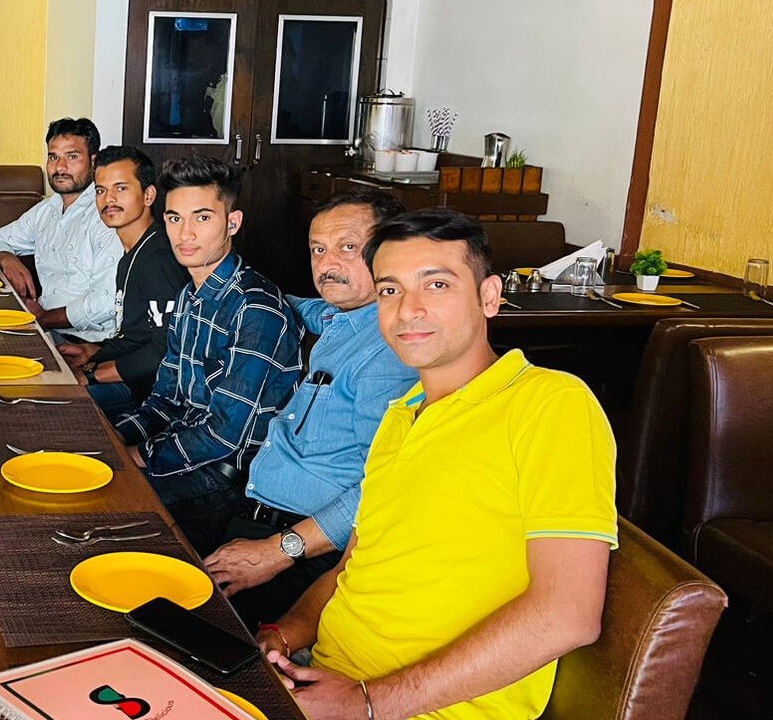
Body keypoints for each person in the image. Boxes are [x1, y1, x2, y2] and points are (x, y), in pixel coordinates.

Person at [258, 208, 616, 720]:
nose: (408, 310)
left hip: (414, 707)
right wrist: (281, 636)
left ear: (489, 297)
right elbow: (349, 571)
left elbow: (567, 614)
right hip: (320, 680)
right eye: (390, 290)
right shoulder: (400, 415)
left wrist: (367, 702)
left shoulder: (550, 404)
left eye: (437, 285)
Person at [201, 189, 417, 625]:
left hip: (306, 551)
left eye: (347, 247)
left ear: (391, 253)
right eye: (318, 249)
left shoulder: (389, 354)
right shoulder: (343, 315)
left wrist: (278, 551)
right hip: (255, 512)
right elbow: (294, 305)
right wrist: (241, 291)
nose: (327, 264)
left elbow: (383, 490)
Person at [114, 155, 303, 555]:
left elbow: (223, 434)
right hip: (181, 451)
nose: (185, 233)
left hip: (226, 481)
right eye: (174, 218)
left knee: (103, 502)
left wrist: (140, 456)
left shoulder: (255, 308)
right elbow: (165, 400)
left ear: (232, 223)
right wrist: (114, 439)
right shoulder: (189, 296)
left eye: (202, 218)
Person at [56, 145, 189, 423]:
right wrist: (94, 351)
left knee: (53, 401)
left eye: (121, 188)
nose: (109, 199)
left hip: (150, 396)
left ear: (148, 195)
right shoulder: (133, 252)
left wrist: (92, 375)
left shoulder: (158, 259)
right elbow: (137, 335)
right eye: (101, 190)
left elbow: (165, 351)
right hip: (130, 375)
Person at [0, 117, 122, 343]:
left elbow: (104, 303)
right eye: (53, 157)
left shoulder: (106, 214)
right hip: (46, 328)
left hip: (89, 342)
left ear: (94, 161)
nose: (60, 167)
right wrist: (8, 260)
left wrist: (43, 318)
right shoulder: (48, 209)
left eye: (72, 157)